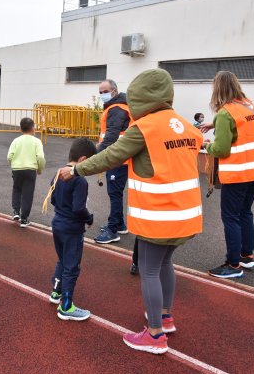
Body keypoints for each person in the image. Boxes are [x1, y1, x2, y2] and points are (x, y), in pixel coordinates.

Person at [58, 69, 203, 354]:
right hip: (185, 213)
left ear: (141, 96)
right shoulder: (185, 125)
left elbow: (112, 155)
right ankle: (165, 317)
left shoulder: (145, 127)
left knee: (149, 270)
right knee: (165, 265)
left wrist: (77, 169)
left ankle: (155, 335)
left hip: (159, 214)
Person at [201, 71, 254, 279]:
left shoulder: (224, 113)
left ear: (217, 89)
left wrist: (206, 145)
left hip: (238, 174)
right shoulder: (249, 105)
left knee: (230, 217)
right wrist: (215, 124)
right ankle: (246, 256)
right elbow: (240, 126)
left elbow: (221, 149)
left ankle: (233, 265)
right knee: (245, 213)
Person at [49, 138, 96, 321]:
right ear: (84, 159)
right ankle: (66, 307)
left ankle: (56, 292)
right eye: (91, 163)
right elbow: (78, 208)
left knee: (62, 260)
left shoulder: (58, 173)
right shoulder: (80, 181)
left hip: (57, 223)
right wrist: (89, 218)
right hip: (71, 228)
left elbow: (53, 199)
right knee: (72, 266)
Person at [95, 79, 132, 244]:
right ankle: (120, 224)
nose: (102, 95)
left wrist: (97, 154)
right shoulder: (119, 106)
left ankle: (113, 230)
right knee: (116, 192)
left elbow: (111, 135)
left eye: (105, 91)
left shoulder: (116, 108)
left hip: (117, 157)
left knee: (114, 193)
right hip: (119, 156)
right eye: (100, 92)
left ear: (114, 91)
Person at [7, 117, 46, 227]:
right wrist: (40, 169)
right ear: (33, 128)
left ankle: (16, 212)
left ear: (20, 129)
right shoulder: (37, 141)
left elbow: (9, 156)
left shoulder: (16, 141)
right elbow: (41, 158)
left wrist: (13, 165)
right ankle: (24, 219)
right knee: (27, 193)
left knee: (17, 188)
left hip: (17, 169)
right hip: (30, 169)